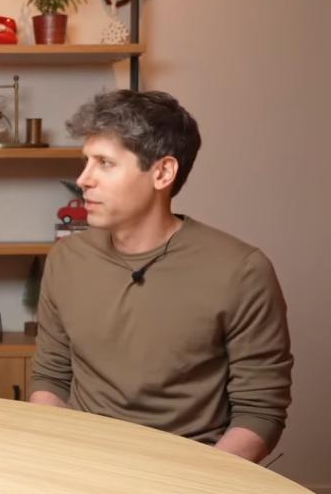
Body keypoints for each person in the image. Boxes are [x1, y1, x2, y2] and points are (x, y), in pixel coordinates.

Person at [29, 90, 292, 463]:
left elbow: (260, 412)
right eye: (86, 161)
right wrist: (62, 458)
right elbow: (51, 379)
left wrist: (195, 480)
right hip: (83, 462)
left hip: (193, 469)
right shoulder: (66, 259)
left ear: (163, 173)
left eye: (105, 163)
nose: (83, 179)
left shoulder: (242, 270)